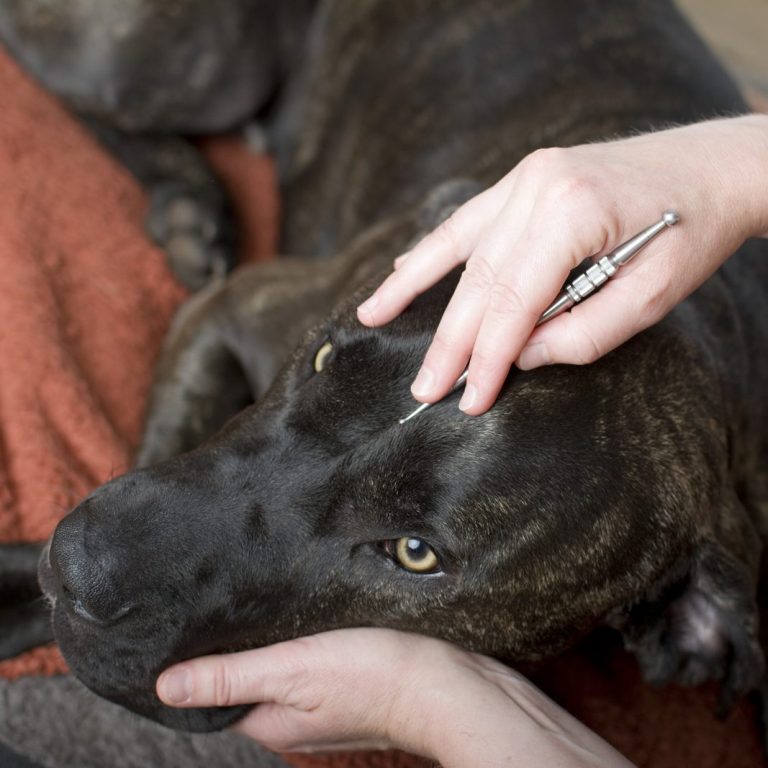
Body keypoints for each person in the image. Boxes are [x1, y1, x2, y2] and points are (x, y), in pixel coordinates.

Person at [156, 115, 768, 766]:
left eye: (416, 550)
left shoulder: (679, 543)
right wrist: (716, 171)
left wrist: (420, 700)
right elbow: (225, 319)